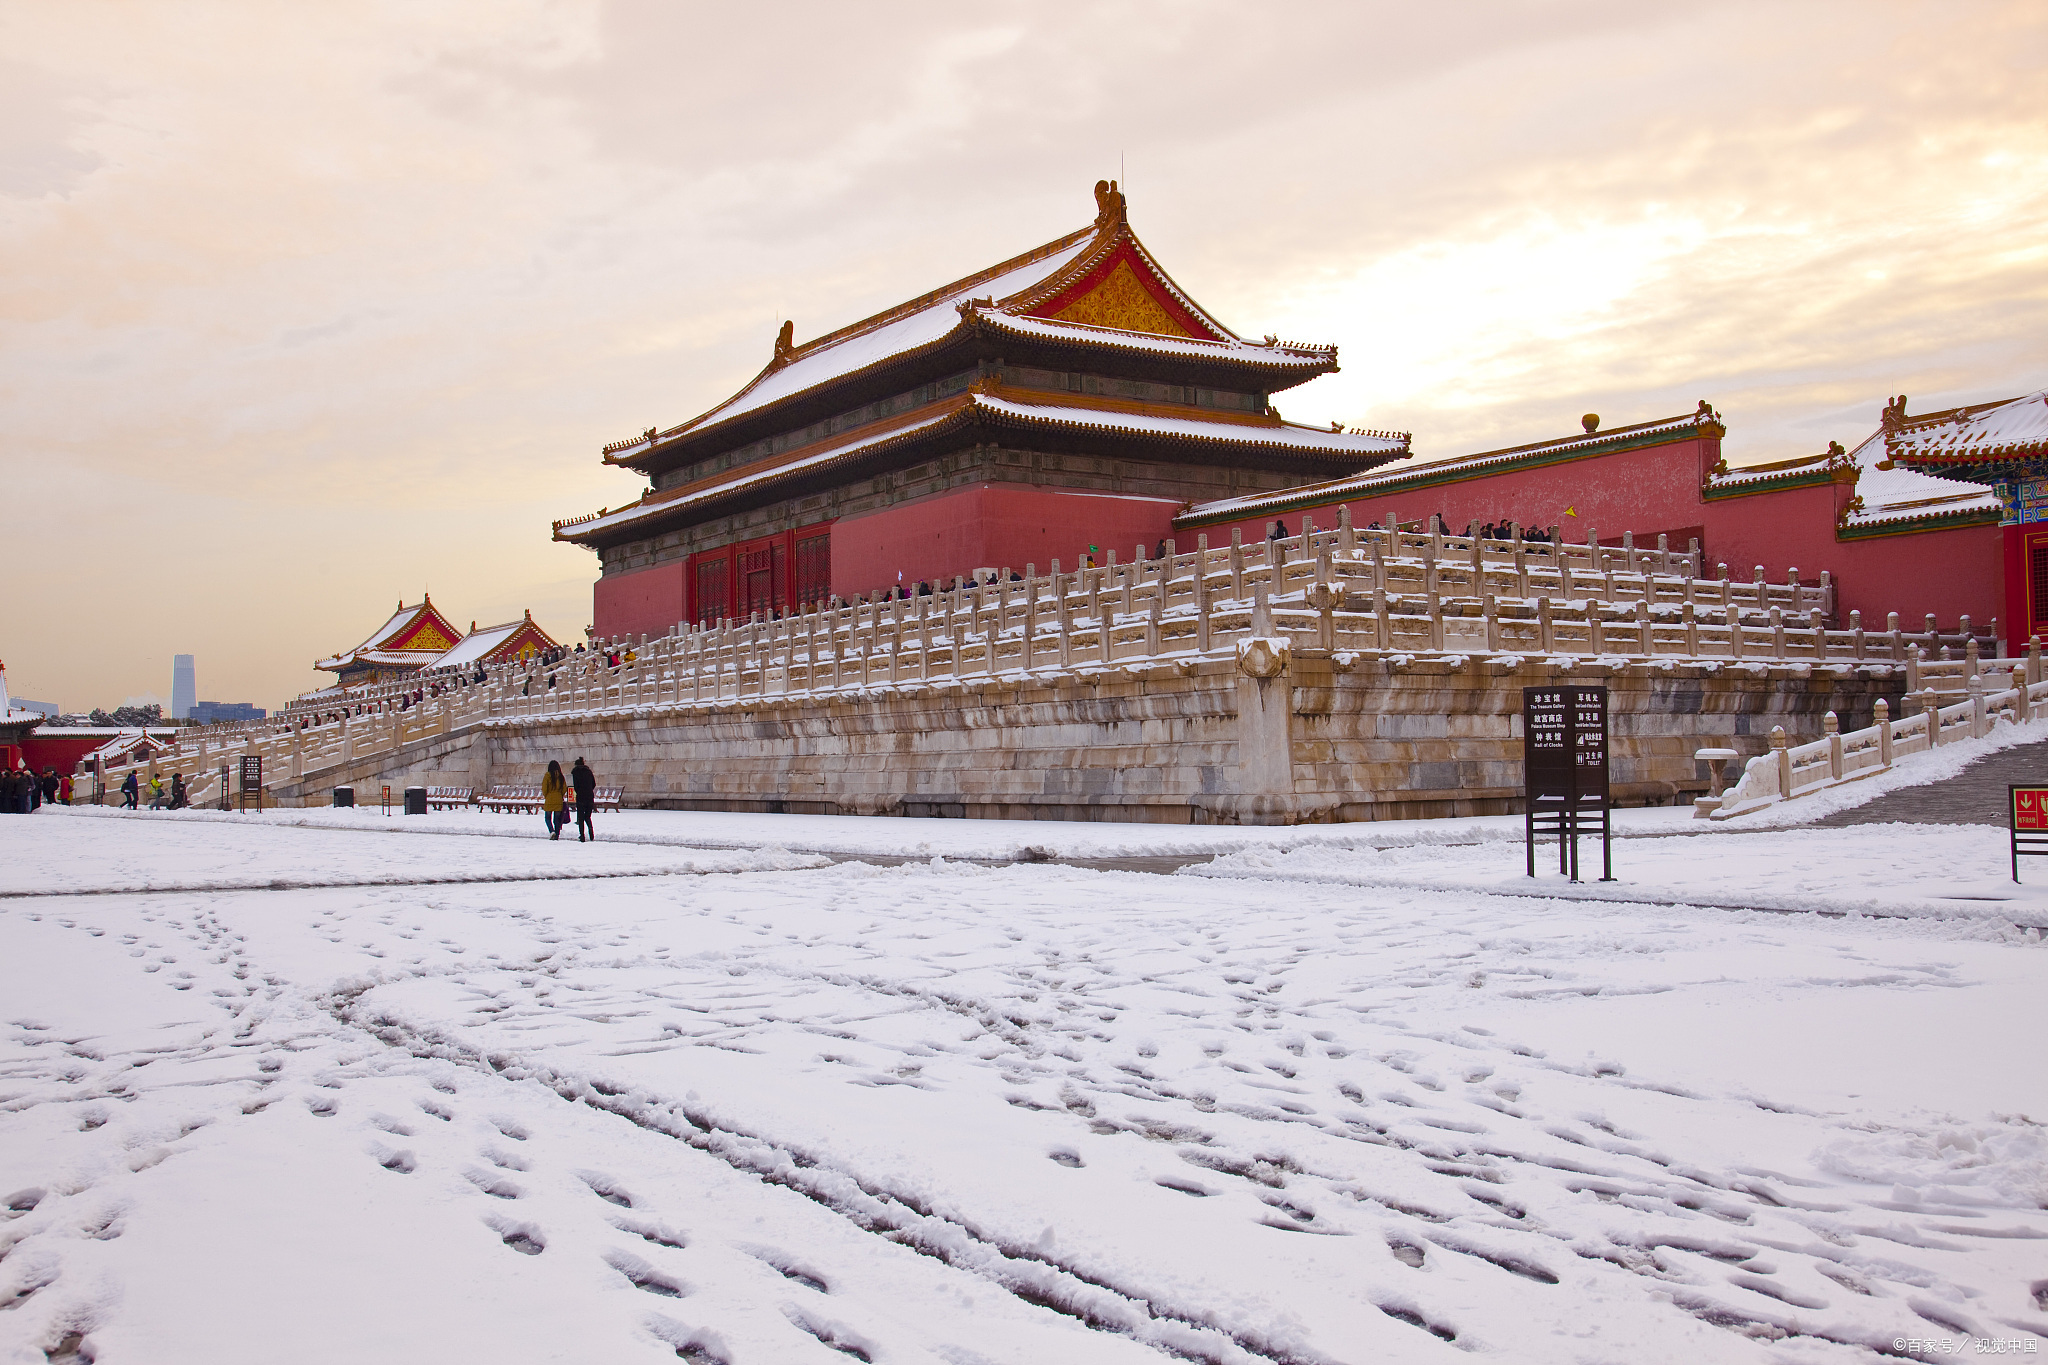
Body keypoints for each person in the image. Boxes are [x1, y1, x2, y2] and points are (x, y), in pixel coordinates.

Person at [570, 757, 596, 842]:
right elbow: (593, 784)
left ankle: (582, 835)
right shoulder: (589, 771)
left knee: (580, 817)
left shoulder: (575, 772)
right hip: (589, 796)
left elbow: (576, 786)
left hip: (581, 796)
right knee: (587, 816)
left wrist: (579, 792)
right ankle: (591, 831)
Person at [541, 759, 567, 840]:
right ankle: (557, 834)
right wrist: (560, 795)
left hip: (549, 798)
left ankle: (552, 831)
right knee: (557, 819)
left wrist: (547, 796)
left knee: (547, 818)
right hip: (558, 799)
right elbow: (564, 788)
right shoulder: (561, 776)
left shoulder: (547, 776)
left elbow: (544, 788)